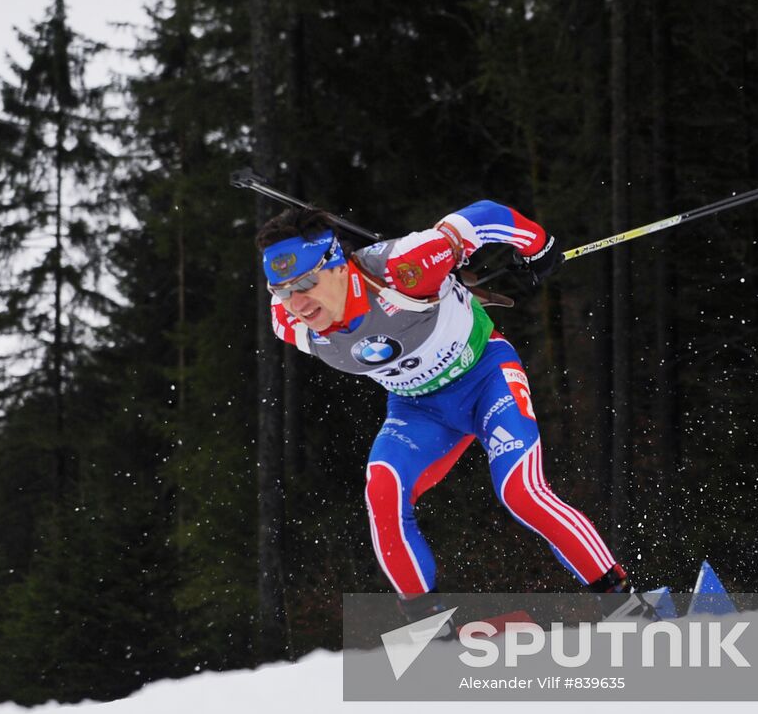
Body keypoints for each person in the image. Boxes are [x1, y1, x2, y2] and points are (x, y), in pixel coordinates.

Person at [258, 199, 642, 623]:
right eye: (282, 290)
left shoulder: (404, 266)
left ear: (336, 264)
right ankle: (429, 627)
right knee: (383, 490)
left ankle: (621, 601)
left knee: (521, 493)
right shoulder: (289, 323)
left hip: (484, 378)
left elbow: (485, 214)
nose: (296, 302)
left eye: (305, 283)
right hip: (419, 409)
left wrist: (537, 245)